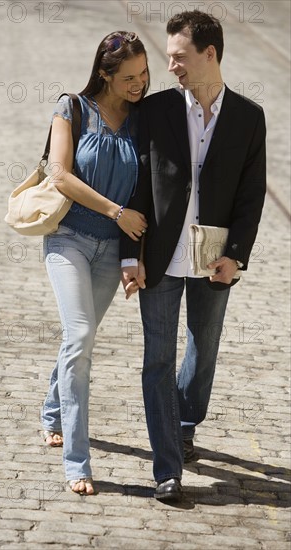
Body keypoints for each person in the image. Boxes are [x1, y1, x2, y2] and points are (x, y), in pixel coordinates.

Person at [120, 10, 266, 502]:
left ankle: (185, 421)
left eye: (179, 57)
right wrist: (129, 256)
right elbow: (134, 187)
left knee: (203, 351)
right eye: (170, 57)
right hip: (159, 257)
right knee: (157, 360)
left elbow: (251, 196)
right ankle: (168, 468)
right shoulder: (155, 111)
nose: (171, 66)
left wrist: (237, 256)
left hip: (214, 260)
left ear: (210, 54)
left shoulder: (249, 117)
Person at [40, 31, 150, 495]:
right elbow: (60, 174)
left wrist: (134, 256)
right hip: (68, 238)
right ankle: (77, 464)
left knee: (77, 339)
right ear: (104, 74)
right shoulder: (73, 108)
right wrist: (116, 212)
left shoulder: (145, 120)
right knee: (81, 335)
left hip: (112, 249)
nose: (139, 84)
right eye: (128, 77)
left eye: (144, 74)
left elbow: (149, 195)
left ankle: (50, 411)